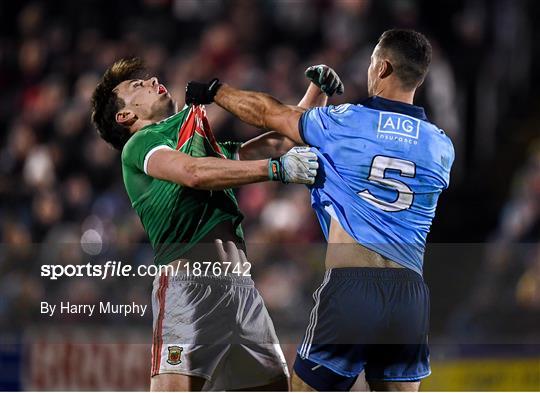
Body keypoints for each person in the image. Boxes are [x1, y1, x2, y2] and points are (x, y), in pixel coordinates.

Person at [185, 29, 455, 391]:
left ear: (384, 68)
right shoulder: (441, 146)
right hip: (410, 293)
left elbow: (271, 115)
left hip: (354, 287)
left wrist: (216, 90)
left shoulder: (347, 122)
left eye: (373, 61)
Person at [90, 58, 343, 391]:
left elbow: (279, 143)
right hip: (189, 285)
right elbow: (193, 174)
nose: (150, 80)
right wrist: (275, 170)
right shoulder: (141, 144)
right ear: (126, 116)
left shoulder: (202, 146)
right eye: (137, 87)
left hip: (241, 289)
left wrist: (317, 93)